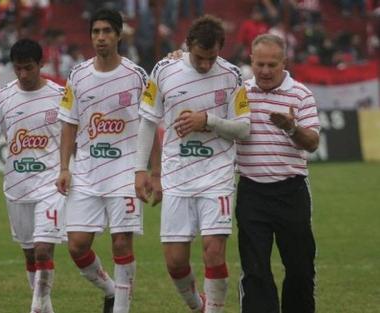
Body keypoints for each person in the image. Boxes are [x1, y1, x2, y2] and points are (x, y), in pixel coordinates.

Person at [135, 15, 250, 313]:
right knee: (175, 262)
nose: (204, 65)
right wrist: (141, 171)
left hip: (217, 176)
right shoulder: (164, 69)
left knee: (214, 253)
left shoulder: (232, 74)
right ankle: (198, 306)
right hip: (177, 177)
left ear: (221, 49)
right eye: (199, 57)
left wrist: (207, 121)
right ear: (187, 47)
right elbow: (148, 122)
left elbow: (243, 128)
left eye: (211, 58)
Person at [56, 8, 161, 313]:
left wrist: (154, 173)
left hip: (125, 172)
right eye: (95, 32)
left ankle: (121, 309)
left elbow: (150, 125)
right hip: (86, 172)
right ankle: (110, 289)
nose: (100, 38)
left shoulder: (137, 76)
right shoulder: (78, 75)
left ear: (118, 35)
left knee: (121, 244)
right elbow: (68, 124)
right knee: (76, 245)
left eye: (106, 32)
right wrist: (64, 167)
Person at [0, 38, 66, 313]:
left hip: (51, 185)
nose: (23, 75)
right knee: (29, 253)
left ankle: (36, 308)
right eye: (18, 69)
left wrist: (68, 168)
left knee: (43, 250)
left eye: (29, 68)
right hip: (17, 186)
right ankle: (44, 306)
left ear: (41, 64)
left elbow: (73, 135)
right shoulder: (2, 97)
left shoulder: (61, 95)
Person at [236, 33, 320, 313]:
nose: (265, 71)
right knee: (255, 270)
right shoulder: (240, 93)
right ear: (251, 61)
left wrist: (291, 127)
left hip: (291, 191)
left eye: (272, 65)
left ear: (284, 62)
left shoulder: (301, 94)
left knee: (299, 268)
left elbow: (313, 143)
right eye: (260, 64)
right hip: (252, 191)